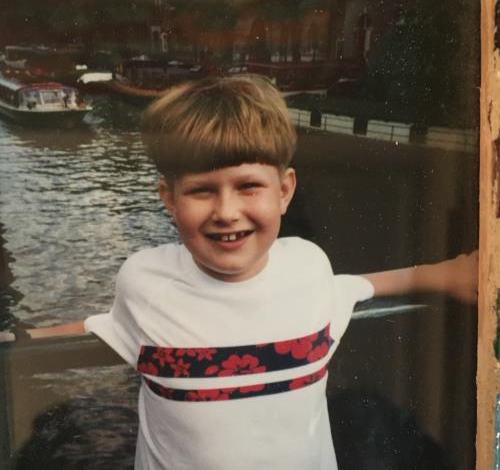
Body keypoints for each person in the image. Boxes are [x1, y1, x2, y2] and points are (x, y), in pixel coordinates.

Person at [1, 75, 477, 469]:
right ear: (169, 199)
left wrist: (443, 274)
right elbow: (105, 328)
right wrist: (19, 340)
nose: (227, 212)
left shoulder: (309, 268)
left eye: (248, 186)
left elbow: (356, 286)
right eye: (202, 190)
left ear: (285, 191)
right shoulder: (143, 281)